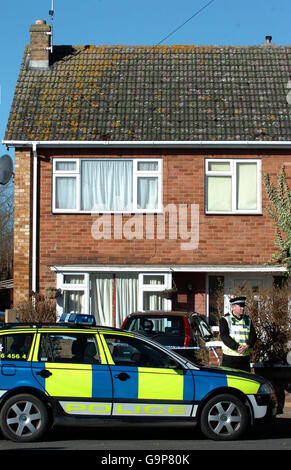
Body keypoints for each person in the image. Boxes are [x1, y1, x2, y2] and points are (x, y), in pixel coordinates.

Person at [219, 296, 257, 372]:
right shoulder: (225, 319)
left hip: (244, 358)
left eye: (243, 306)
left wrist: (247, 346)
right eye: (240, 306)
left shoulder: (248, 320)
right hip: (230, 358)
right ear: (233, 307)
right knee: (229, 382)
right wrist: (237, 347)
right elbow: (224, 336)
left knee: (245, 381)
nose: (242, 308)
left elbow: (253, 335)